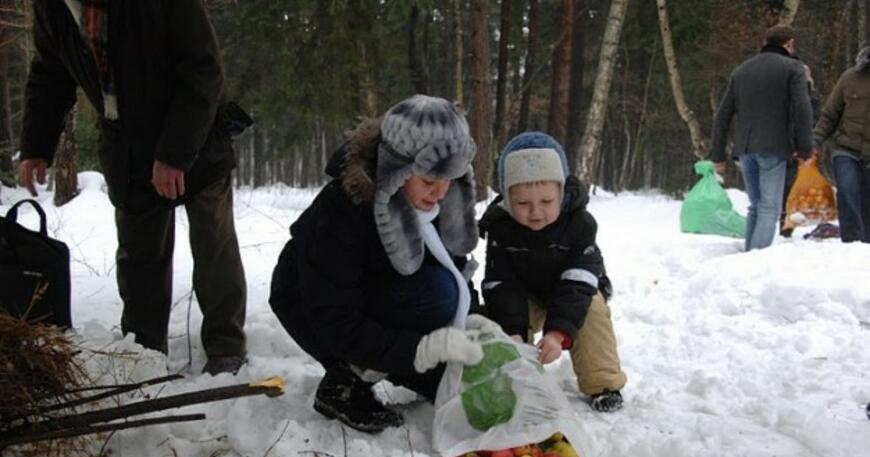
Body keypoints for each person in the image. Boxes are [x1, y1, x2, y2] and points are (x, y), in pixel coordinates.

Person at [18, 0, 248, 375]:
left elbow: (203, 68)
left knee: (213, 243)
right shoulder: (51, 8)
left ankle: (226, 347)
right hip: (126, 143)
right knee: (140, 251)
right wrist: (35, 147)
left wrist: (174, 153)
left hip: (197, 132)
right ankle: (144, 350)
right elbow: (50, 73)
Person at [269, 95, 489, 433]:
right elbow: (335, 316)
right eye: (430, 181)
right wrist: (422, 349)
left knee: (460, 382)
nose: (441, 192)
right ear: (397, 168)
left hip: (390, 299)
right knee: (438, 294)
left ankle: (397, 363)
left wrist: (481, 324)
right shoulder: (344, 210)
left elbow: (456, 270)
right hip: (314, 307)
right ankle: (346, 382)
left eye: (450, 178)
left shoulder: (442, 194)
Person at [478, 132, 627, 413]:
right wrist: (514, 331)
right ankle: (510, 378)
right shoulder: (501, 227)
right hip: (526, 297)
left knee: (592, 309)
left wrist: (558, 333)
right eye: (522, 203)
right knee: (495, 324)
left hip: (573, 293)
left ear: (561, 192)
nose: (535, 212)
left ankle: (603, 383)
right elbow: (501, 283)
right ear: (508, 199)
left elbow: (579, 281)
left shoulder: (580, 224)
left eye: (546, 202)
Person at [711, 25, 814, 251]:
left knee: (756, 206)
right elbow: (802, 108)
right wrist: (806, 149)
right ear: (788, 43)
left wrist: (717, 154)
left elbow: (723, 114)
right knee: (769, 208)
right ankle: (755, 260)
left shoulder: (742, 70)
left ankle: (750, 253)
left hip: (745, 148)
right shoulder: (793, 68)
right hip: (774, 147)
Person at [812, 45, 870, 243]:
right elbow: (830, 114)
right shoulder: (850, 78)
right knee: (847, 190)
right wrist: (816, 140)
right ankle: (851, 242)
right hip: (846, 148)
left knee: (866, 201)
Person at [780, 60, 822, 238]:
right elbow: (815, 121)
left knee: (786, 185)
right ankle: (787, 220)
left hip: (789, 145)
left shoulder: (786, 95)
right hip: (802, 146)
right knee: (793, 185)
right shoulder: (811, 97)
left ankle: (785, 220)